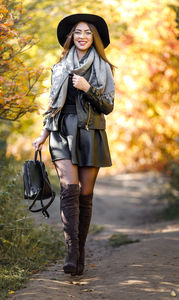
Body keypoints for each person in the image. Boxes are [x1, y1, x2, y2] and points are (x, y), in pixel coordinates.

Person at [32, 13, 115, 276]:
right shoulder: (59, 67)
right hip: (61, 132)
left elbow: (108, 106)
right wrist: (43, 134)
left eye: (88, 33)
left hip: (90, 133)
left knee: (84, 197)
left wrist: (88, 88)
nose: (82, 37)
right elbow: (53, 106)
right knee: (70, 190)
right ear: (71, 37)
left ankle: (80, 252)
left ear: (94, 38)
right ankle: (71, 252)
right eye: (78, 32)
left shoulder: (103, 67)